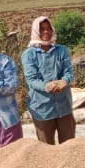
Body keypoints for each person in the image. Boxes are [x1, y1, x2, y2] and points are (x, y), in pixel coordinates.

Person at [22, 16, 76, 145]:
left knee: (69, 145)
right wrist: (47, 86)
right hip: (42, 107)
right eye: (42, 29)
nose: (46, 32)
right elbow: (32, 79)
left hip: (63, 105)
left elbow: (68, 72)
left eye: (48, 28)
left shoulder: (62, 50)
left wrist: (64, 81)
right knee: (46, 147)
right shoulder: (29, 54)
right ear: (36, 31)